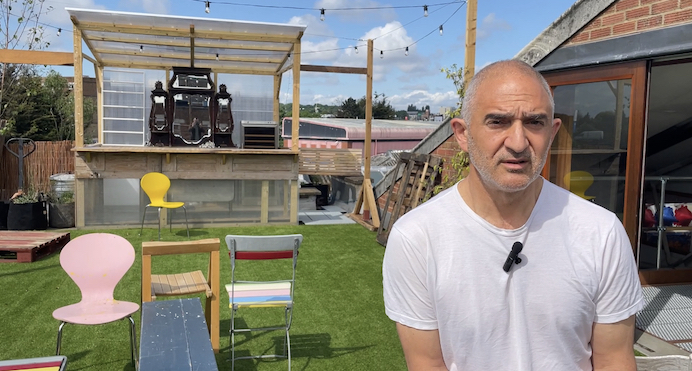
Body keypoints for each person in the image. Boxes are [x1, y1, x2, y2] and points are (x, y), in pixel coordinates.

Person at [382, 60, 643, 371]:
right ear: (462, 134)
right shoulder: (417, 237)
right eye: (498, 122)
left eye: (534, 122)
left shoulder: (601, 233)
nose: (518, 143)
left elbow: (614, 360)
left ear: (553, 131)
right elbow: (427, 365)